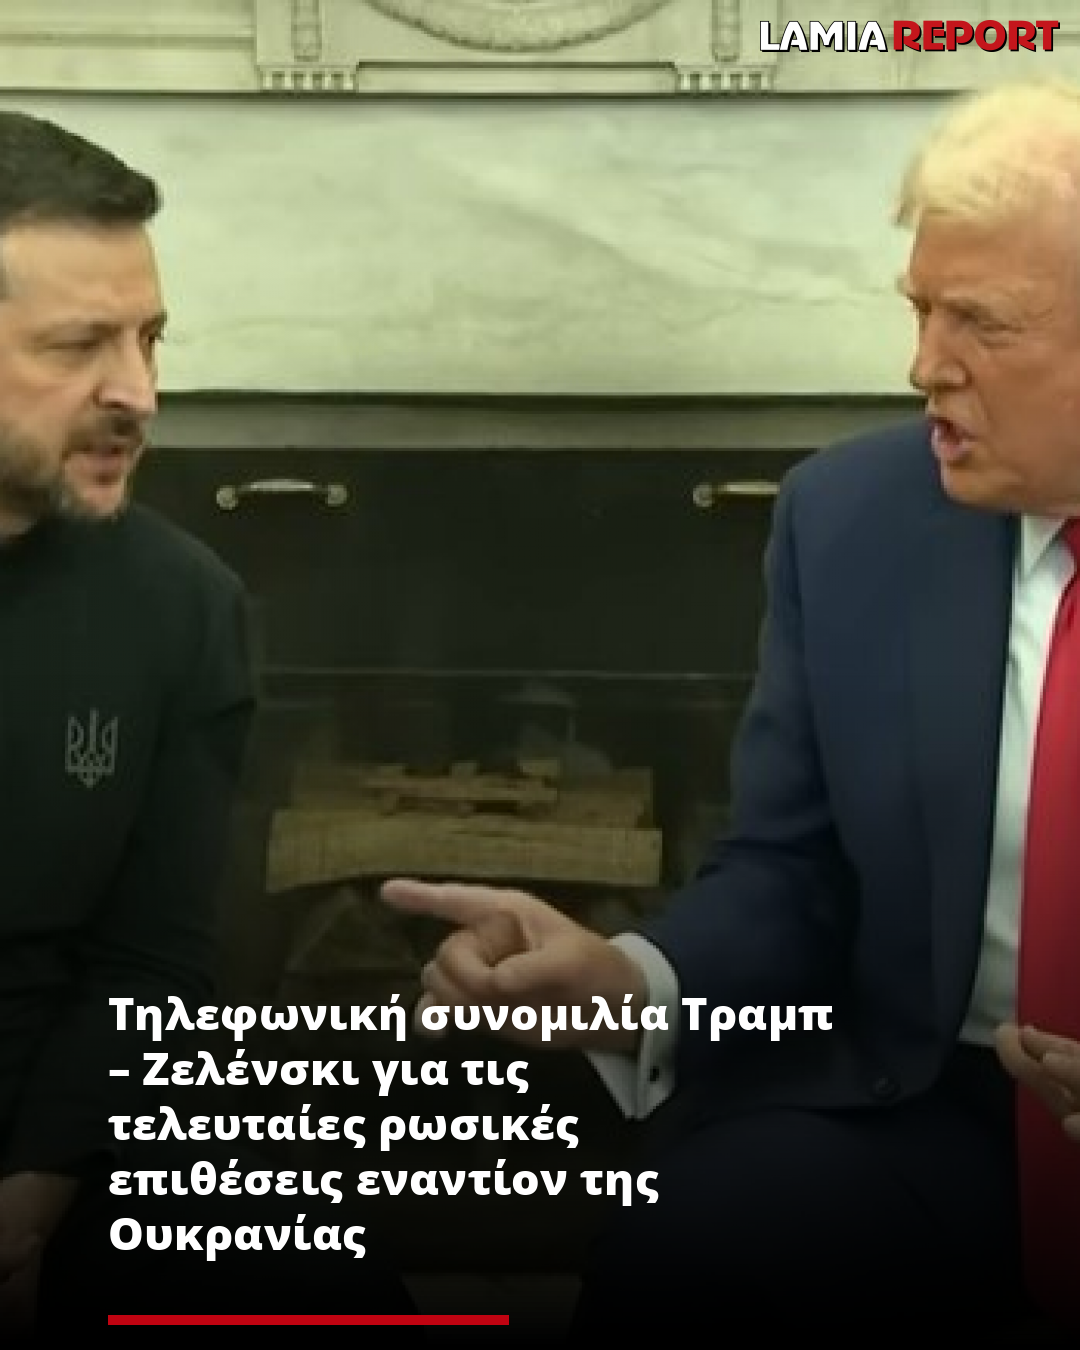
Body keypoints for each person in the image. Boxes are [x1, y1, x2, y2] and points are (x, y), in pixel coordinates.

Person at [383, 80, 1080, 1341]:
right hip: (935, 1099)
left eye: (981, 321)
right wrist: (631, 979)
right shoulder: (854, 519)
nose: (925, 366)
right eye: (920, 309)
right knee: (693, 1247)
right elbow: (791, 871)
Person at [0, 112, 414, 1339]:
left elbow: (150, 964)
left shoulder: (180, 604)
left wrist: (27, 1208)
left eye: (150, 338)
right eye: (79, 345)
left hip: (69, 1121)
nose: (138, 392)